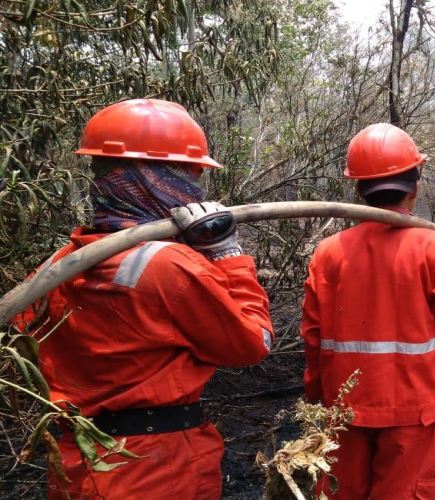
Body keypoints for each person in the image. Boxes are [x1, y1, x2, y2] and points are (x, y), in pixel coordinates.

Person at [13, 99, 274, 499]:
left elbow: (30, 348)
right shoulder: (170, 266)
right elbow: (252, 342)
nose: (192, 188)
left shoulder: (56, 266)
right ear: (158, 178)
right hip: (154, 467)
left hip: (76, 463)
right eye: (188, 174)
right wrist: (226, 254)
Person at [301, 123, 435, 499]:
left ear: (358, 190)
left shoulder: (328, 252)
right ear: (416, 186)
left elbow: (312, 336)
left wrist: (318, 400)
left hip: (345, 409)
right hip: (414, 411)